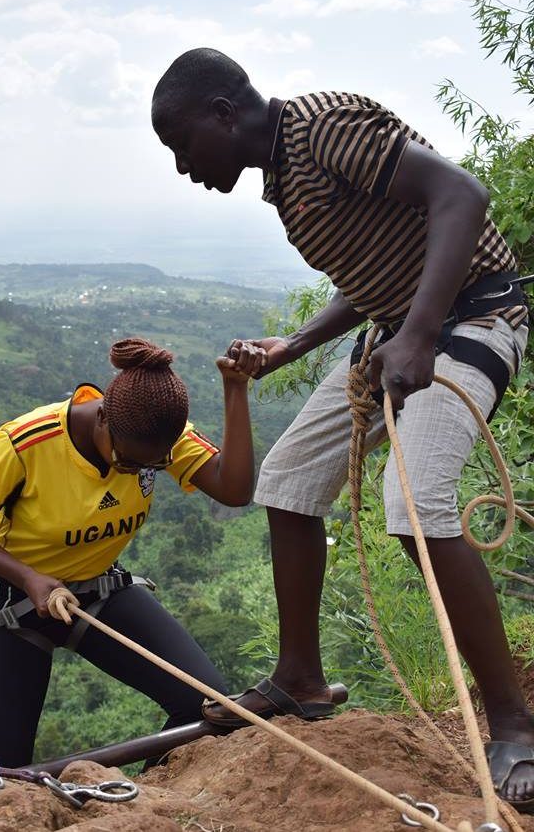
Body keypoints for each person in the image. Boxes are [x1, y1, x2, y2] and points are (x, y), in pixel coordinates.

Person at [151, 49, 533, 809]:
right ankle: (301, 678)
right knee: (288, 480)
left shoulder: (322, 128)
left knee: (414, 502)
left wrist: (421, 335)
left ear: (225, 114)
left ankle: (515, 722)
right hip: (401, 328)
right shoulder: (286, 179)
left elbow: (461, 195)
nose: (183, 166)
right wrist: (293, 345)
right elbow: (375, 275)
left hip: (477, 315)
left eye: (182, 144)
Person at [0, 337, 255, 769]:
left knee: (205, 705)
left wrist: (235, 389)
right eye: (128, 464)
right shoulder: (28, 443)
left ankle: (150, 803)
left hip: (100, 587)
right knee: (0, 772)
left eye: (152, 467)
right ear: (103, 417)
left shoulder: (159, 433)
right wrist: (29, 578)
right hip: (12, 600)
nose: (137, 473)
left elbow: (235, 491)